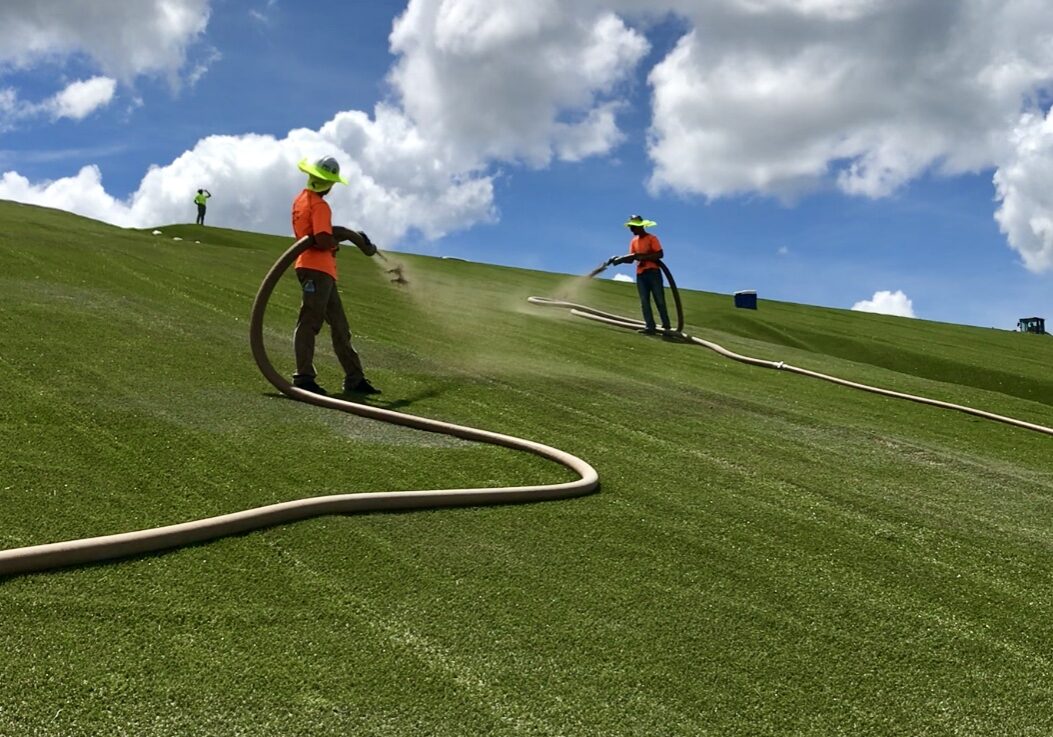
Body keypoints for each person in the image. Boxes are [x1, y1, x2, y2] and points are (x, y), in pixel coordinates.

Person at [290, 155, 381, 396]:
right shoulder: (320, 205)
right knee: (310, 322)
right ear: (329, 184)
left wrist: (342, 237)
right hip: (316, 269)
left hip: (321, 271)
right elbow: (320, 239)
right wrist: (333, 242)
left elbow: (319, 234)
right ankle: (304, 378)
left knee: (340, 326)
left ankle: (355, 378)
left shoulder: (301, 200)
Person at [609, 215, 672, 334]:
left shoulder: (652, 238)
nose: (631, 230)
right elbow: (631, 258)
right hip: (641, 274)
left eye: (633, 227)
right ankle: (650, 326)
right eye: (631, 227)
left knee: (659, 299)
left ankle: (666, 326)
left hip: (653, 272)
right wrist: (618, 259)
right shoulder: (634, 241)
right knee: (644, 301)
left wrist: (643, 257)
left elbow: (660, 254)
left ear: (640, 227)